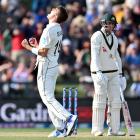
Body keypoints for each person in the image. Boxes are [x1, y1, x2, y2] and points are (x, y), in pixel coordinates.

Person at [21, 6, 77, 138]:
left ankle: (68, 118)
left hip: (46, 66)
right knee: (48, 99)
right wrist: (36, 46)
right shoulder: (57, 29)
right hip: (53, 66)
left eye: (53, 11)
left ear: (56, 16)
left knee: (47, 98)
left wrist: (28, 47)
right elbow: (47, 49)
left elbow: (44, 53)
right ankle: (60, 128)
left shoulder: (50, 30)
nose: (50, 11)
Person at [90, 13, 127, 136]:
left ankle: (114, 129)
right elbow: (94, 56)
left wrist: (121, 75)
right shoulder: (97, 36)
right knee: (100, 100)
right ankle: (97, 129)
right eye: (109, 23)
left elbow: (117, 57)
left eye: (112, 24)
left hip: (113, 73)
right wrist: (98, 71)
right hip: (100, 73)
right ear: (104, 23)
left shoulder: (114, 38)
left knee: (116, 102)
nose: (111, 26)